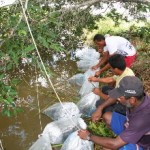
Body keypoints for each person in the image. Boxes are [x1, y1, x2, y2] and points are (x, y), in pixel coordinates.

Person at [78, 76, 150, 150]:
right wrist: (100, 108)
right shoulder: (138, 96)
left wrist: (89, 136)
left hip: (141, 143)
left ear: (132, 100)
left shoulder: (142, 119)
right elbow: (115, 97)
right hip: (130, 125)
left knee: (108, 148)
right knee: (107, 116)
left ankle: (124, 141)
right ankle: (123, 137)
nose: (118, 99)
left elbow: (114, 144)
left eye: (120, 97)